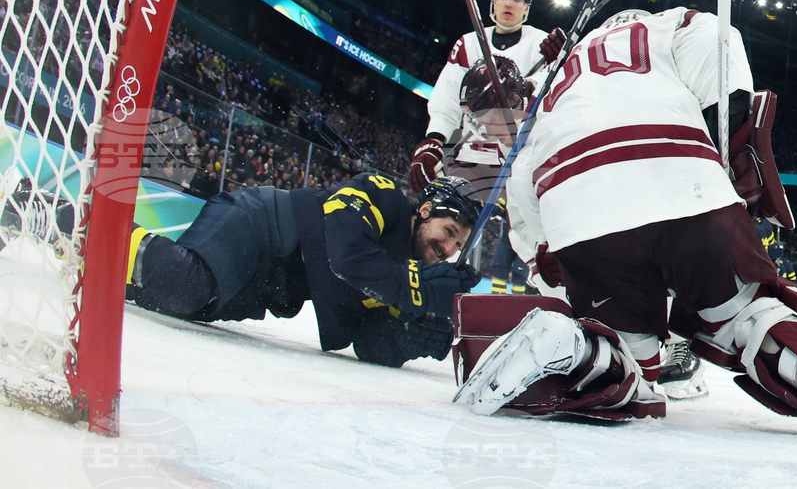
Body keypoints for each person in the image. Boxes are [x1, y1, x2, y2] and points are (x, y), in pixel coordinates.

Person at [449, 10, 797, 443]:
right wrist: (730, 123)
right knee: (746, 318)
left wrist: (557, 274)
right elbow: (718, 38)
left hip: (581, 207)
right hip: (685, 182)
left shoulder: (548, 100)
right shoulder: (663, 24)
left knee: (634, 370)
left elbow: (533, 229)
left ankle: (578, 346)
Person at [1, 169, 483, 368]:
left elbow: (364, 341)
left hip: (258, 285)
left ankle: (73, 240)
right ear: (425, 211)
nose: (448, 249)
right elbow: (343, 255)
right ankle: (49, 212)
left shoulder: (403, 272)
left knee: (164, 294)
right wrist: (417, 291)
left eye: (458, 246)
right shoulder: (383, 195)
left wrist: (411, 337)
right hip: (256, 225)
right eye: (448, 232)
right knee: (184, 284)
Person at [408, 0, 565, 197]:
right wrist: (434, 142)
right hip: (469, 159)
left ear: (526, 8)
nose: (509, 3)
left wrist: (558, 64)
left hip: (520, 160)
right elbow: (446, 103)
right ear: (494, 2)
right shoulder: (468, 44)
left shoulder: (541, 44)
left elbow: (552, 98)